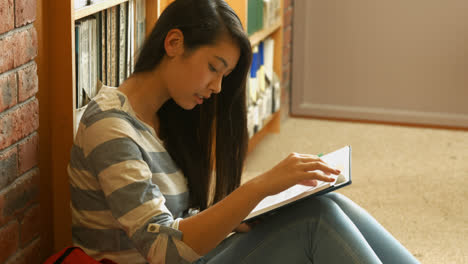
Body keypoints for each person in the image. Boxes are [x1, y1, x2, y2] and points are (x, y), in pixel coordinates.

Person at [68, 0, 420, 263]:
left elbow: (171, 219)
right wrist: (258, 188)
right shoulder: (110, 128)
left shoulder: (161, 117)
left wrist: (243, 213)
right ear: (173, 43)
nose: (218, 88)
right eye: (213, 68)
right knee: (316, 221)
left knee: (323, 200)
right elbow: (163, 249)